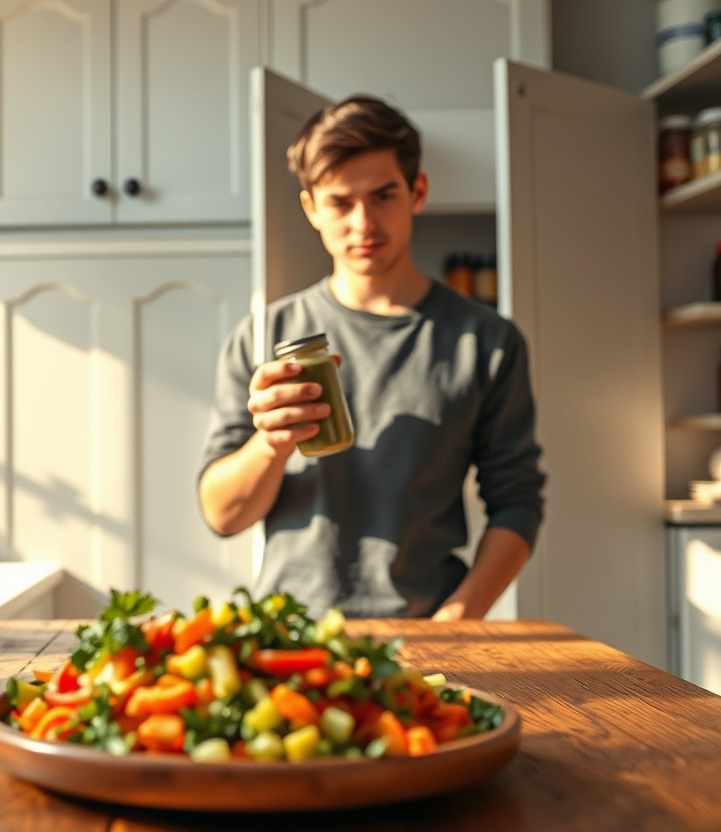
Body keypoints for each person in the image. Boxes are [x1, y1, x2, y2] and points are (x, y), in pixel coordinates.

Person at [196, 95, 545, 620]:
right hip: (291, 634)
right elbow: (223, 516)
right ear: (311, 209)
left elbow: (517, 501)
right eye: (340, 202)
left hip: (427, 631)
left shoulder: (487, 342)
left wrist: (460, 616)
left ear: (417, 192)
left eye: (383, 196)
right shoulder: (264, 337)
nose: (363, 223)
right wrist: (272, 442)